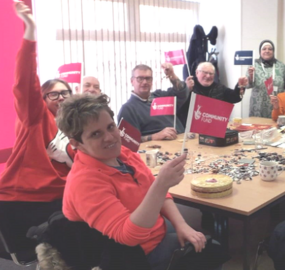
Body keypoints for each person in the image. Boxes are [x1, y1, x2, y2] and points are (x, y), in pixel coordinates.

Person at [56, 94, 208, 270]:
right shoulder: (84, 182)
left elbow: (156, 192)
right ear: (77, 143)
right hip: (131, 256)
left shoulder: (122, 154)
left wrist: (182, 225)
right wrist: (161, 184)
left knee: (201, 240)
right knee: (208, 252)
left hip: (151, 231)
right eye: (96, 134)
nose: (110, 138)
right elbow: (128, 236)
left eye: (110, 127)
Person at [0, 0, 75, 252]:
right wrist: (30, 31)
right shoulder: (36, 117)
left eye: (66, 92)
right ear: (41, 100)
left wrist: (68, 159)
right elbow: (24, 79)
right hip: (24, 201)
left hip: (60, 197)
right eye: (54, 94)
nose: (62, 97)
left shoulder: (74, 127)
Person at [117, 63, 193, 142]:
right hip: (157, 149)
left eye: (148, 78)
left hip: (183, 141)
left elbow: (183, 93)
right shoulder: (128, 109)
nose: (145, 82)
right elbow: (128, 141)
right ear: (132, 81)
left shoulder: (159, 95)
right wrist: (155, 136)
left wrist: (172, 75)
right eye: (140, 78)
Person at [178, 62, 247, 126]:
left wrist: (240, 86)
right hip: (192, 130)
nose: (208, 76)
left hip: (215, 128)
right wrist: (186, 90)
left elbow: (235, 97)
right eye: (205, 72)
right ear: (197, 73)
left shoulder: (220, 87)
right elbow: (179, 107)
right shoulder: (189, 87)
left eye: (211, 74)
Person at [246, 40, 285, 118]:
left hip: (277, 104)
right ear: (260, 51)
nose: (267, 51)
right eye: (264, 49)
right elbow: (247, 85)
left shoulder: (281, 66)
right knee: (257, 127)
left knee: (276, 128)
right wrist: (250, 76)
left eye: (270, 49)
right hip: (258, 105)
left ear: (273, 51)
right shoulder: (253, 65)